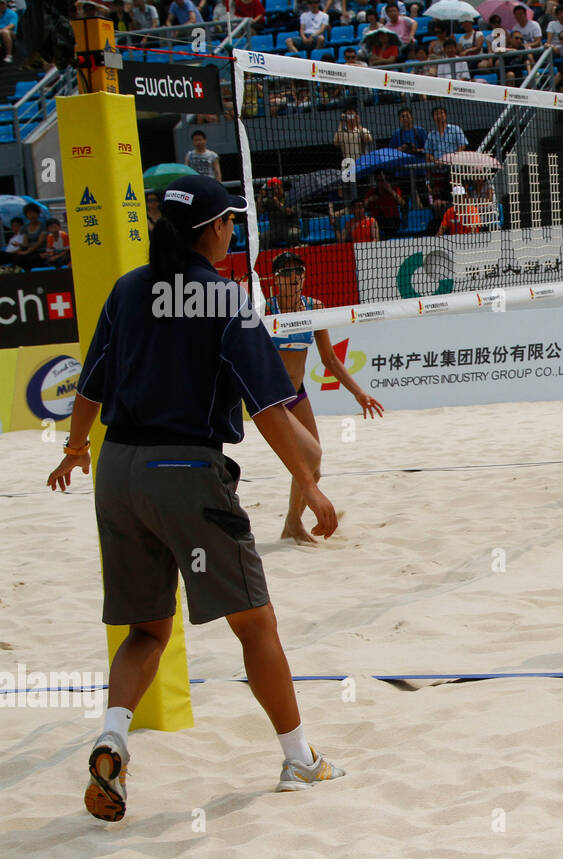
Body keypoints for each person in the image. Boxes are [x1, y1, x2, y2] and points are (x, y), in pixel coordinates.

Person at [46, 176, 344, 822]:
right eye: (230, 221)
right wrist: (311, 484)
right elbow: (267, 407)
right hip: (185, 470)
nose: (233, 230)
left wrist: (74, 450)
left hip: (118, 472)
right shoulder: (224, 300)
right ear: (212, 231)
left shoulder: (127, 290)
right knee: (254, 624)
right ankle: (299, 758)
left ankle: (112, 737)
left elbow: (89, 389)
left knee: (146, 629)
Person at [264, 252, 384, 544]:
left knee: (315, 469)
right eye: (288, 273)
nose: (295, 278)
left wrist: (359, 393)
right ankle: (292, 525)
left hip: (298, 393)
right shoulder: (266, 310)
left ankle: (292, 524)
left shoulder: (314, 309)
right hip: (273, 395)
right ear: (276, 279)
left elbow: (329, 358)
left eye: (299, 272)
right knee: (312, 455)